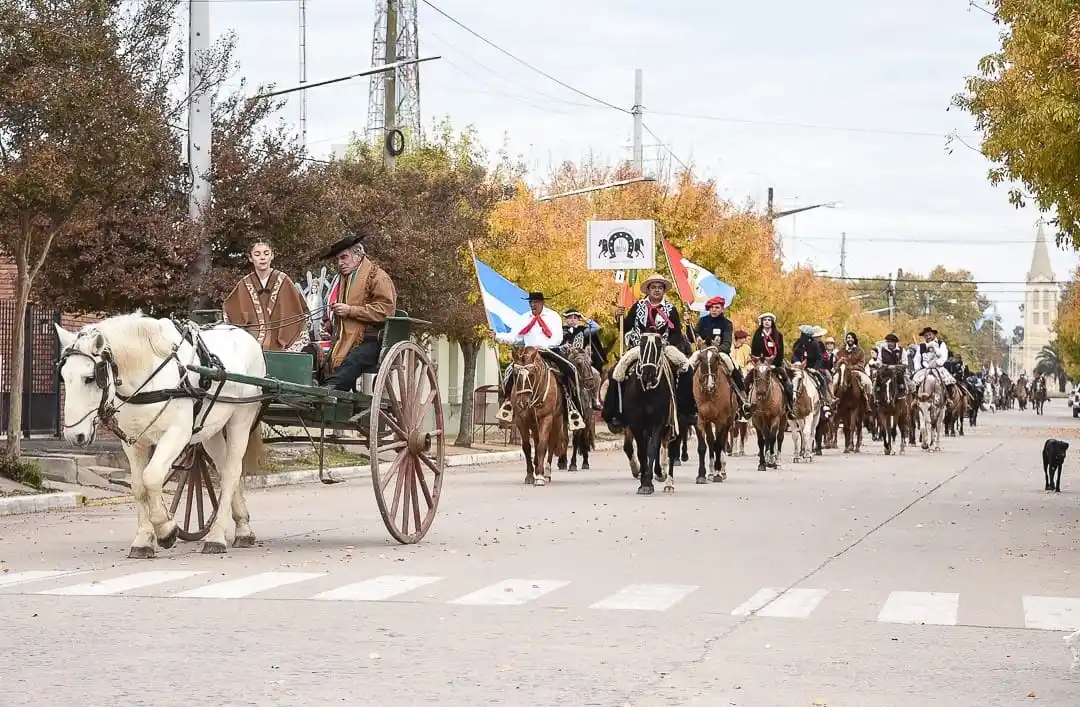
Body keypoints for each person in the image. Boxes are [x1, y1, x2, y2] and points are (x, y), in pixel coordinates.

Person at [602, 273, 691, 428]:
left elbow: (676, 332)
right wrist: (620, 319)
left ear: (664, 290)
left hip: (663, 347)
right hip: (639, 347)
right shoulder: (638, 306)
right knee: (617, 370)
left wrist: (668, 344)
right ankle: (615, 412)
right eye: (653, 287)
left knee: (685, 366)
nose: (657, 290)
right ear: (648, 290)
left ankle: (686, 410)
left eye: (660, 288)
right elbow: (627, 328)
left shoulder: (671, 309)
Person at [494, 292, 587, 432]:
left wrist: (544, 346)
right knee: (509, 371)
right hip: (528, 354)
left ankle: (574, 409)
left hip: (548, 351)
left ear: (542, 303)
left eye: (535, 302)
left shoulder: (553, 316)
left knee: (571, 369)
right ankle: (508, 403)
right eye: (530, 302)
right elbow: (514, 337)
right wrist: (497, 336)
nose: (532, 305)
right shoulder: (524, 318)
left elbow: (557, 337)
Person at [320, 233, 398, 392]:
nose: (340, 263)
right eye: (338, 260)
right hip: (343, 338)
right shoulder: (343, 280)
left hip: (373, 339)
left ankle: (328, 391)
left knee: (355, 359)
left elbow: (386, 311)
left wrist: (350, 311)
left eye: (344, 258)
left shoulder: (378, 277)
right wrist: (329, 327)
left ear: (358, 255)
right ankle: (315, 389)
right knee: (315, 354)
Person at [222, 240, 312, 352]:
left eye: (266, 253)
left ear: (272, 256)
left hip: (281, 340)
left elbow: (297, 310)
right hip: (252, 343)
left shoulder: (284, 280)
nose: (262, 258)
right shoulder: (244, 284)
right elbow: (230, 308)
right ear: (250, 258)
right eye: (257, 254)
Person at [689, 295, 751, 417]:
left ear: (722, 309)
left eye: (717, 307)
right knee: (688, 365)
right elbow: (692, 337)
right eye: (712, 307)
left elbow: (727, 343)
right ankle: (685, 398)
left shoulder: (727, 323)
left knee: (732, 366)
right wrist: (687, 325)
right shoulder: (702, 321)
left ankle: (743, 398)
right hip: (702, 352)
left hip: (720, 352)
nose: (714, 310)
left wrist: (716, 350)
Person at [750, 312, 794, 418]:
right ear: (762, 322)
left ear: (772, 322)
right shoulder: (757, 334)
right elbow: (754, 350)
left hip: (775, 364)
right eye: (765, 320)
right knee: (747, 380)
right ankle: (747, 406)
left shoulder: (778, 335)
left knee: (788, 384)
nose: (767, 322)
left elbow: (781, 352)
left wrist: (774, 364)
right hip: (760, 364)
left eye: (769, 320)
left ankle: (790, 407)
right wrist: (759, 362)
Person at [912, 326, 957, 393]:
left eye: (930, 334)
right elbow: (917, 358)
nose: (928, 337)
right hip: (925, 368)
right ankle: (916, 399)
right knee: (914, 383)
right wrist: (917, 368)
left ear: (934, 334)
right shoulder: (921, 346)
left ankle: (949, 399)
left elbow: (944, 356)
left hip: (938, 368)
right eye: (926, 335)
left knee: (949, 384)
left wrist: (937, 362)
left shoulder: (941, 343)